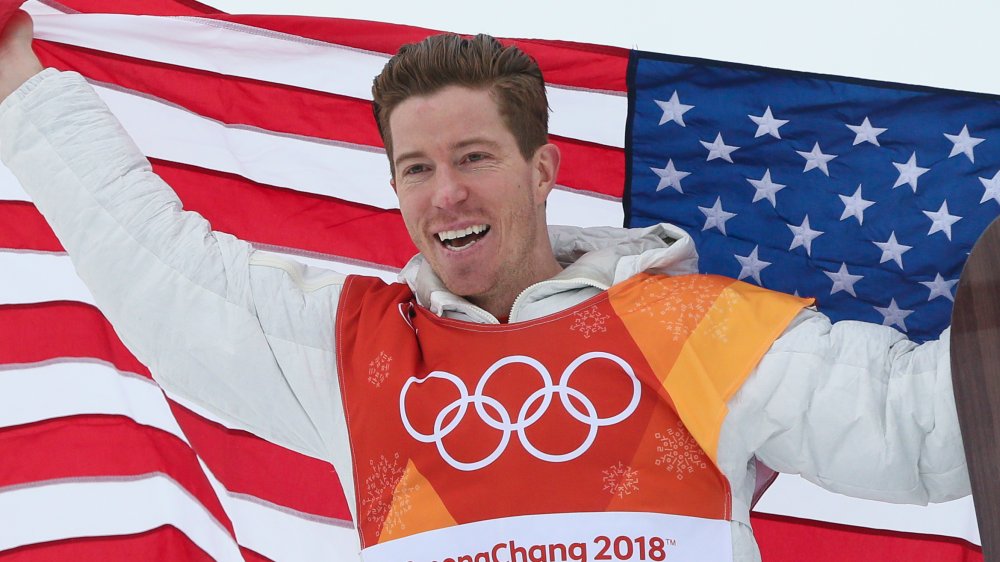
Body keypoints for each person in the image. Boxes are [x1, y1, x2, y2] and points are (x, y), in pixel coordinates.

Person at [0, 11, 969, 562]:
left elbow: (928, 429)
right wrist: (18, 79)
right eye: (416, 168)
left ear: (543, 169)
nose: (446, 190)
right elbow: (163, 275)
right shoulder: (357, 351)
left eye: (473, 156)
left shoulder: (692, 330)